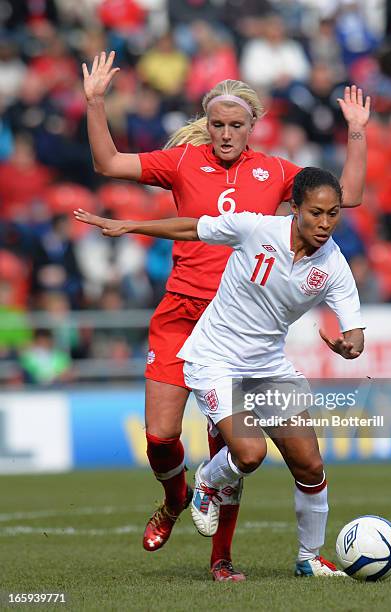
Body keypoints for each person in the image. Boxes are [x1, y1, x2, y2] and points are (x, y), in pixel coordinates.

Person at [82, 49, 370, 581]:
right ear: (206, 125)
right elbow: (108, 164)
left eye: (236, 124)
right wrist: (96, 102)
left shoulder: (276, 172)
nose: (225, 133)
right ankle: (173, 501)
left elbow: (343, 197)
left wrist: (356, 131)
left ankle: (222, 560)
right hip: (184, 313)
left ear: (254, 126)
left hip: (241, 327)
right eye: (217, 124)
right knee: (162, 436)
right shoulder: (182, 162)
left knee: (234, 448)